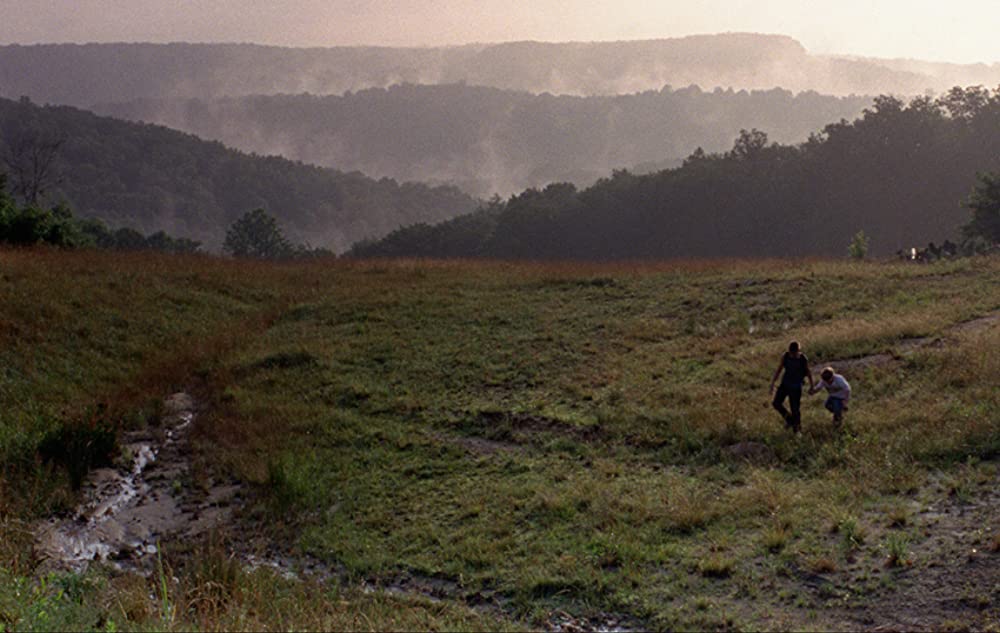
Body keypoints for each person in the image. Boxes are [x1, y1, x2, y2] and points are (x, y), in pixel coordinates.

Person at [769, 341, 814, 432]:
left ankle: (797, 429)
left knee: (795, 408)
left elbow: (808, 373)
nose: (792, 355)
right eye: (791, 353)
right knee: (776, 403)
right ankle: (790, 420)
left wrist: (812, 385)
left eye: (794, 353)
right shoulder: (785, 356)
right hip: (785, 384)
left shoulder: (802, 359)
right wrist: (772, 383)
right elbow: (779, 369)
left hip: (796, 387)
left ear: (798, 351)